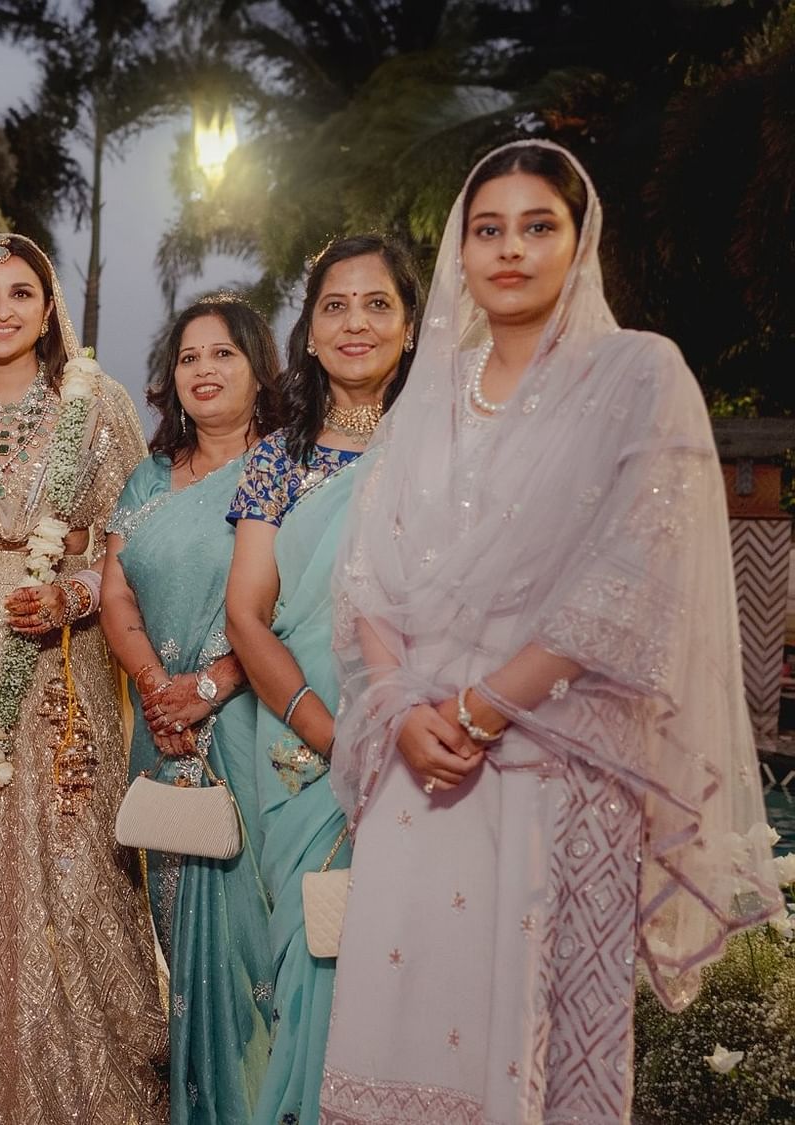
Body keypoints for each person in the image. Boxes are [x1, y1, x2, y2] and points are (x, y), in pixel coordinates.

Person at [320, 141, 781, 1124]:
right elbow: (367, 572)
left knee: (527, 1052)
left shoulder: (634, 374)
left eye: (538, 227)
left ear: (580, 242)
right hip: (418, 762)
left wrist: (480, 708)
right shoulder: (426, 400)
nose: (509, 251)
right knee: (399, 1037)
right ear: (458, 249)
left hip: (556, 762)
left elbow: (630, 578)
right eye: (487, 229)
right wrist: (401, 708)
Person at [0, 232, 163, 1123]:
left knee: (73, 863)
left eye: (22, 292)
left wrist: (74, 592)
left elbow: (138, 547)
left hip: (63, 665)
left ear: (49, 307)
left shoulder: (100, 406)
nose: (3, 309)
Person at [223, 232, 422, 1125]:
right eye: (334, 306)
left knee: (415, 975)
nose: (355, 323)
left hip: (426, 746)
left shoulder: (444, 454)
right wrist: (331, 735)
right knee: (310, 962)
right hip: (303, 756)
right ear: (306, 334)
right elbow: (246, 616)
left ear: (412, 327)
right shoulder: (278, 460)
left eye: (377, 304)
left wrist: (403, 731)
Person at [102, 294, 279, 1125]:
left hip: (248, 728)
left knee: (255, 942)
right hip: (160, 731)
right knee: (182, 940)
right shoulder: (146, 474)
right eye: (188, 358)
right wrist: (152, 686)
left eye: (223, 355)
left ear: (257, 368)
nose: (203, 371)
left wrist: (209, 687)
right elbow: (115, 592)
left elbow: (290, 609)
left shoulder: (284, 467)